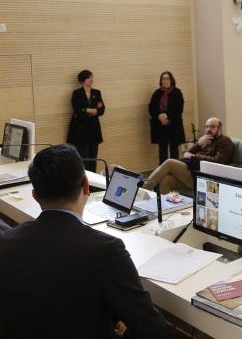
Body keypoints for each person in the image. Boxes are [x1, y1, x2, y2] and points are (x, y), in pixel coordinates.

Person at [0, 145, 169, 338]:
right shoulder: (106, 250)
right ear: (86, 186)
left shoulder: (6, 241)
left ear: (35, 195)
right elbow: (153, 331)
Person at [146, 117, 234, 193]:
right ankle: (155, 205)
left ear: (220, 128)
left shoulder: (225, 141)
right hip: (192, 170)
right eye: (207, 126)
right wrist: (198, 144)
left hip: (201, 175)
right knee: (166, 180)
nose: (208, 129)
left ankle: (142, 191)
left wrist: (194, 156)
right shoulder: (206, 139)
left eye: (212, 126)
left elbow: (218, 161)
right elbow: (187, 154)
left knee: (170, 163)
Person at [67, 69, 105, 172]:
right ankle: (85, 180)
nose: (91, 79)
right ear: (82, 80)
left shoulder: (96, 92)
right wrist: (92, 110)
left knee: (93, 159)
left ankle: (93, 181)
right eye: (89, 78)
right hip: (81, 130)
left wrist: (87, 110)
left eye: (92, 77)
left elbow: (102, 110)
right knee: (84, 159)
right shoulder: (77, 93)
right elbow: (77, 110)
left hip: (94, 130)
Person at [149, 71, 186, 164]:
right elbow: (151, 107)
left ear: (171, 80)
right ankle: (163, 170)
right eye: (163, 79)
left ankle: (174, 169)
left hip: (174, 125)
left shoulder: (177, 92)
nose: (165, 81)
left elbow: (179, 108)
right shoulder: (157, 93)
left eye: (167, 78)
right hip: (160, 126)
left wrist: (166, 115)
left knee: (174, 151)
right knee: (162, 150)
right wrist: (159, 115)